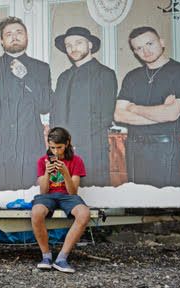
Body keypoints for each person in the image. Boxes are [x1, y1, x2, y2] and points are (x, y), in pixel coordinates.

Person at [114, 26, 180, 188]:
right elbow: (118, 115)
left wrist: (134, 108)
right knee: (140, 203)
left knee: (172, 204)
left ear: (162, 42)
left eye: (150, 44)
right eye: (139, 48)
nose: (145, 51)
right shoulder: (132, 76)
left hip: (166, 149)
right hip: (134, 150)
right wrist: (161, 113)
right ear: (135, 52)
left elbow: (172, 114)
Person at [0, 16, 52, 190]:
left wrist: (26, 77)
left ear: (27, 37)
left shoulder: (41, 68)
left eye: (19, 32)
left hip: (30, 149)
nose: (14, 36)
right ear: (2, 41)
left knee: (29, 204)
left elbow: (45, 104)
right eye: (8, 34)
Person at [51, 27, 117, 187]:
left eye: (78, 43)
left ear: (90, 45)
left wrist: (75, 141)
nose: (73, 48)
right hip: (62, 151)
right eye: (68, 45)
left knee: (93, 196)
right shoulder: (64, 77)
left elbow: (105, 116)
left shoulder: (104, 74)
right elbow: (56, 113)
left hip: (91, 148)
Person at [31, 127, 90, 273]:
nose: (55, 152)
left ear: (67, 143)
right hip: (48, 196)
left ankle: (62, 258)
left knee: (84, 214)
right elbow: (43, 191)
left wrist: (65, 173)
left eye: (59, 147)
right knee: (36, 212)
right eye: (52, 148)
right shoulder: (42, 161)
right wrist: (46, 172)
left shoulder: (76, 161)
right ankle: (46, 256)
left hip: (67, 196)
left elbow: (72, 192)